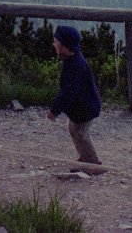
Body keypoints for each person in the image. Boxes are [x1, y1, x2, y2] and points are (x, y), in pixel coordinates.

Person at [46, 25, 103, 165]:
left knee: (80, 133)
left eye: (56, 42)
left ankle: (91, 162)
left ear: (64, 46)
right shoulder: (71, 59)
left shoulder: (76, 65)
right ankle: (85, 157)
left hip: (86, 107)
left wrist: (55, 110)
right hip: (80, 107)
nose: (53, 44)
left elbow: (67, 93)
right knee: (74, 130)